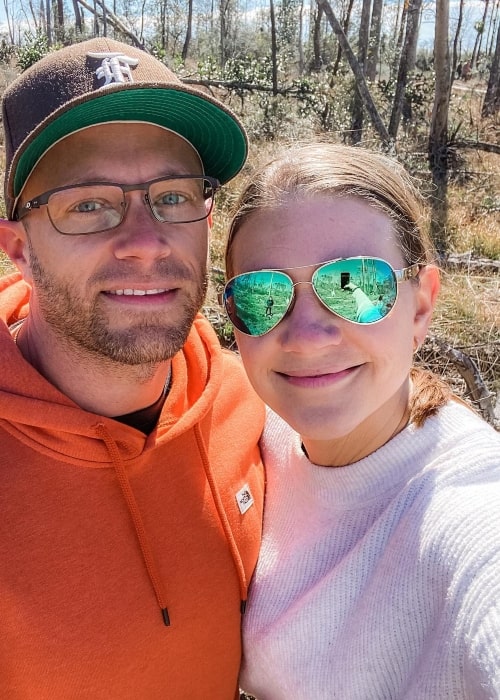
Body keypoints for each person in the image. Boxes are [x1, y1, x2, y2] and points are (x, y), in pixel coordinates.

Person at [0, 37, 265, 699]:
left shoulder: (251, 398)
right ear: (18, 251)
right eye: (88, 204)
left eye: (174, 196)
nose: (146, 242)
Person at [222, 142, 500, 699]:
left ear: (420, 305)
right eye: (261, 296)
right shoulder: (257, 432)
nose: (304, 336)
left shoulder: (467, 507)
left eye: (354, 285)